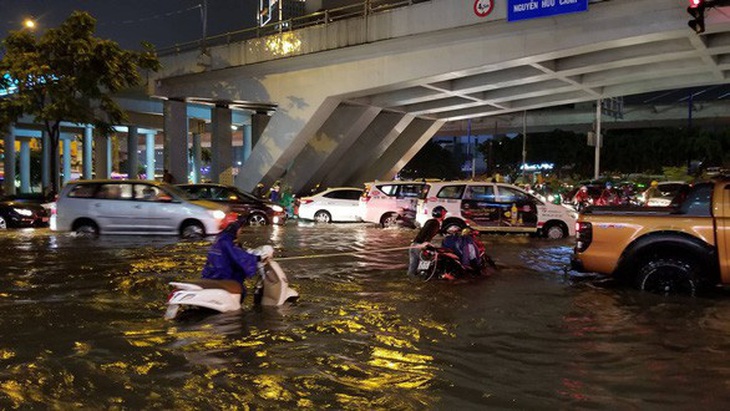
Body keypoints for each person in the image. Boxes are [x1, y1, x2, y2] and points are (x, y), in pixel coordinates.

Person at [200, 219, 274, 296]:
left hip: (211, 275)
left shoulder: (220, 239)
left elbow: (235, 254)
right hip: (222, 277)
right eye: (240, 230)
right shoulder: (227, 242)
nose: (240, 233)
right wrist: (257, 258)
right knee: (242, 290)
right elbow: (239, 257)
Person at [407, 206, 446, 277]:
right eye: (444, 213)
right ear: (441, 214)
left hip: (414, 245)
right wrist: (426, 243)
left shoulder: (430, 221)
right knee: (425, 262)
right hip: (420, 246)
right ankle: (422, 278)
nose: (445, 215)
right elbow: (429, 234)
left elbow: (426, 231)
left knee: (412, 267)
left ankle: (411, 279)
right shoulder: (436, 224)